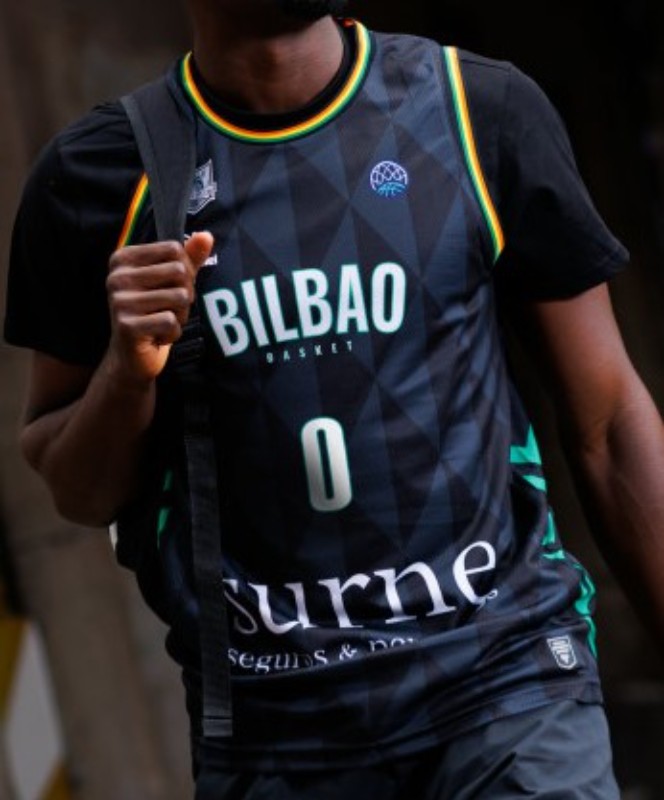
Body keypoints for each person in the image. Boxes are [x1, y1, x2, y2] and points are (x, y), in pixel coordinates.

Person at [5, 0, 664, 797]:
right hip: (276, 732)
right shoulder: (95, 176)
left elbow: (609, 422)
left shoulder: (477, 108)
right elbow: (79, 492)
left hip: (504, 684)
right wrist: (127, 369)